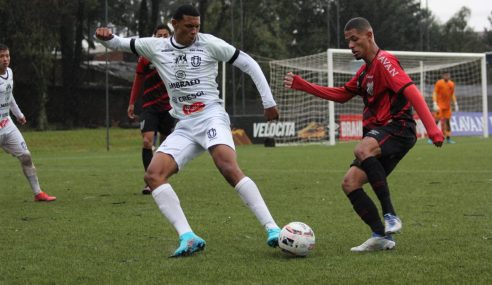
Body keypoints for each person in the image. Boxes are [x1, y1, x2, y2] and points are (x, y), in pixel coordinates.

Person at [95, 4, 281, 257]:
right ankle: (188, 236)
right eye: (189, 26)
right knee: (153, 176)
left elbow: (248, 63)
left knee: (227, 166)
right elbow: (118, 43)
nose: (194, 31)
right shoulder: (156, 46)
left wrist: (268, 102)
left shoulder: (209, 43)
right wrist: (104, 37)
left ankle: (272, 229)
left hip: (211, 116)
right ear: (174, 23)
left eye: (197, 26)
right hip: (184, 125)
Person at [284, 17, 444, 252]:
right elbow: (341, 94)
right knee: (350, 183)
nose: (350, 45)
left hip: (398, 128)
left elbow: (411, 91)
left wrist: (432, 128)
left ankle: (390, 214)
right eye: (348, 41)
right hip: (381, 134)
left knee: (362, 148)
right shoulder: (363, 73)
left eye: (354, 39)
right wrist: (304, 85)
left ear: (369, 35)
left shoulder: (386, 62)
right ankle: (381, 236)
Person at [0, 44, 56, 202]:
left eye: (7, 56)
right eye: (1, 56)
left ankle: (38, 193)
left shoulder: (9, 73)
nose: (5, 59)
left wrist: (18, 114)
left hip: (7, 125)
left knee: (26, 156)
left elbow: (9, 96)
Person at [127, 24, 175, 195]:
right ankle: (150, 181)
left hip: (169, 107)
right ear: (153, 37)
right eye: (159, 35)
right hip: (149, 106)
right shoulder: (146, 56)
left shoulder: (175, 55)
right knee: (147, 141)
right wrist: (132, 102)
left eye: (165, 35)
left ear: (170, 37)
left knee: (166, 144)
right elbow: (138, 81)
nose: (162, 38)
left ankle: (160, 176)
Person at [431, 71, 458, 144]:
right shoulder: (439, 83)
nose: (447, 76)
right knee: (436, 121)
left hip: (447, 106)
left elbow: (452, 94)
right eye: (445, 75)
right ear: (442, 76)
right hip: (439, 105)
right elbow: (435, 92)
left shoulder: (451, 84)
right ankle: (431, 138)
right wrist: (434, 102)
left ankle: (448, 138)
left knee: (448, 122)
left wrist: (455, 103)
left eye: (448, 74)